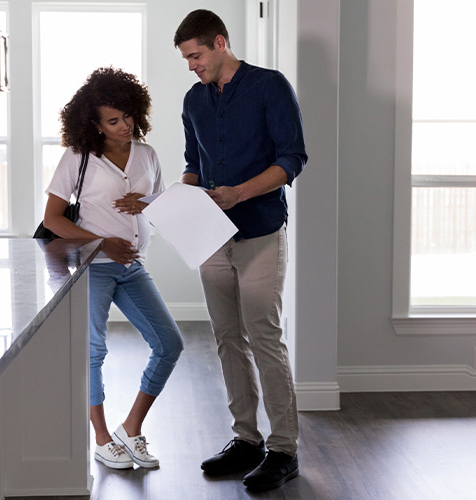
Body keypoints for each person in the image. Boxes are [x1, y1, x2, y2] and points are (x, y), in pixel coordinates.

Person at [173, 9, 307, 491]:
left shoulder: (270, 86)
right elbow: (194, 163)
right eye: (186, 59)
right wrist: (179, 197)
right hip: (210, 236)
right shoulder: (193, 100)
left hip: (260, 231)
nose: (192, 66)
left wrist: (239, 193)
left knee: (264, 335)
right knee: (228, 338)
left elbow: (293, 158)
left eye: (196, 55)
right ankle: (246, 439)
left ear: (220, 42)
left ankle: (284, 448)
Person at [42, 67, 183, 471]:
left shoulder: (147, 155)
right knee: (94, 351)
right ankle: (102, 439)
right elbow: (53, 218)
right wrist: (102, 242)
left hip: (133, 266)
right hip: (95, 265)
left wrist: (149, 202)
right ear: (94, 124)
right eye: (114, 120)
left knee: (169, 343)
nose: (125, 126)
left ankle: (130, 428)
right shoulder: (77, 157)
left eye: (128, 116)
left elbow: (156, 206)